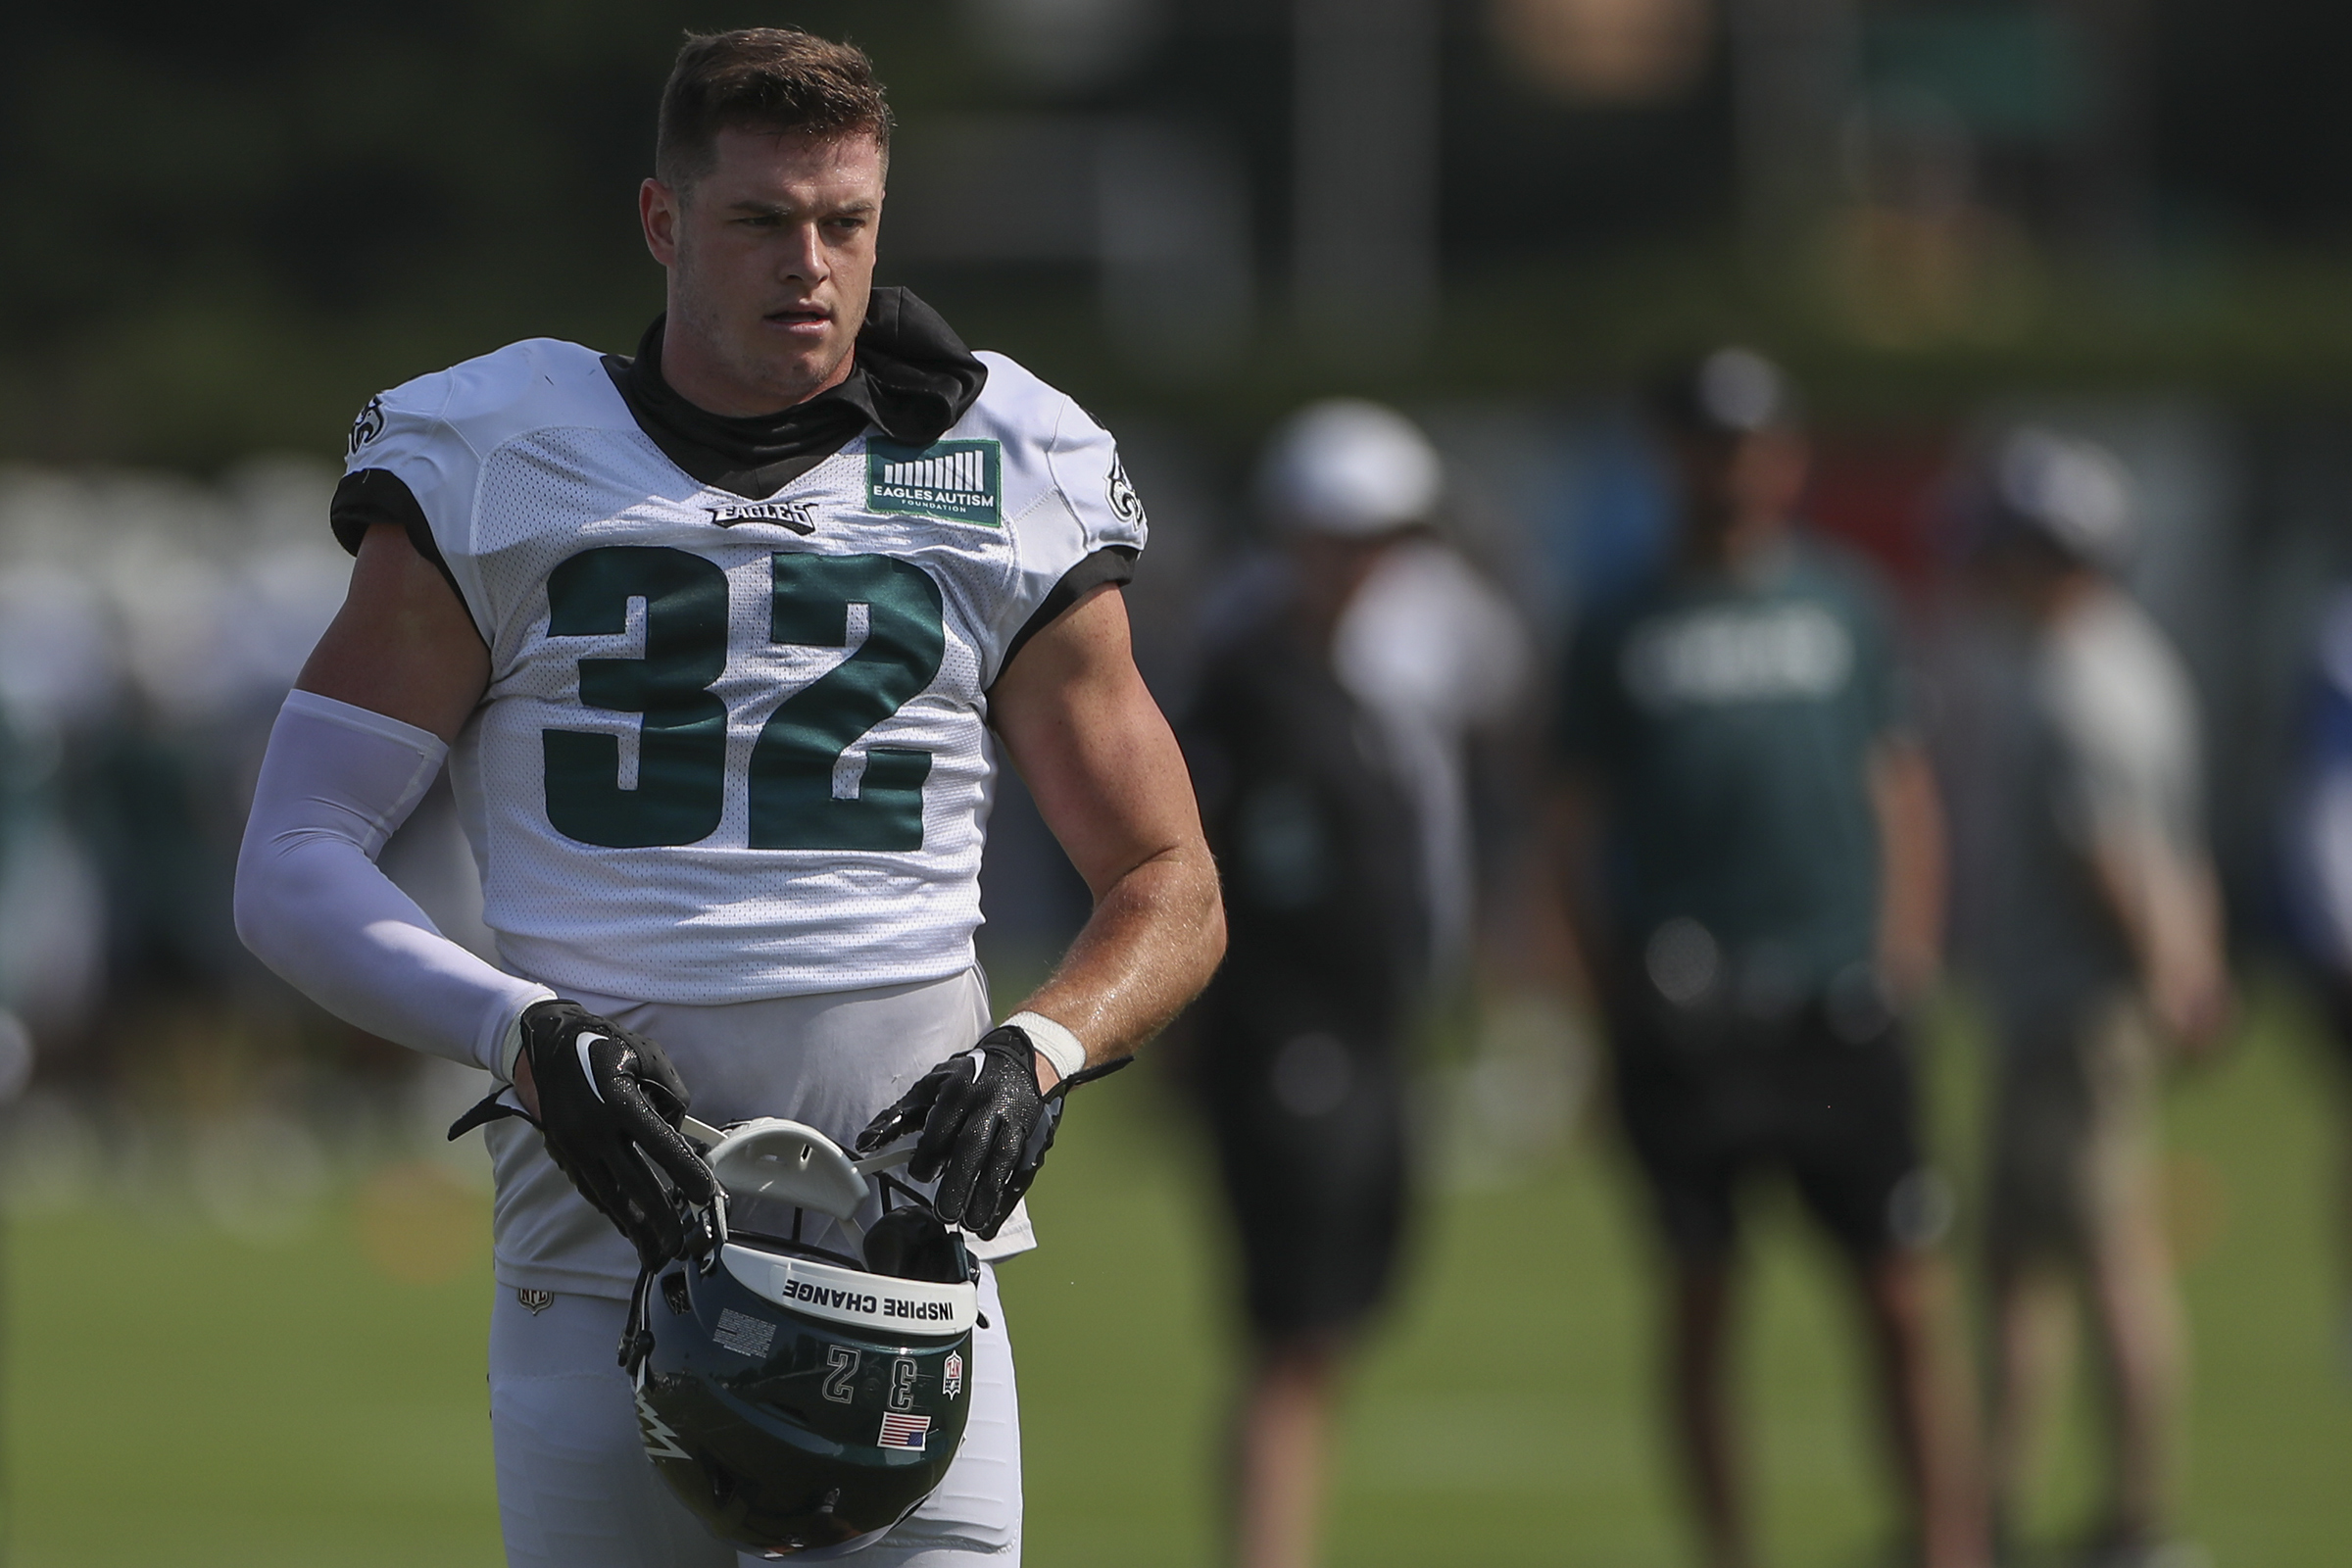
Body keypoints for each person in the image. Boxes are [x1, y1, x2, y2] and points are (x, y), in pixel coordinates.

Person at [232, 28, 1224, 1568]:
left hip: (911, 1259)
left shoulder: (994, 460)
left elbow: (1170, 877)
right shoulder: (503, 455)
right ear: (663, 222)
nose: (810, 265)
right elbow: (292, 857)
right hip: (601, 1247)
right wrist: (518, 1030)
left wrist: (1041, 1050)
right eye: (763, 219)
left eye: (846, 222)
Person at [1549, 349, 1983, 1568]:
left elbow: (1899, 785)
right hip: (1689, 1010)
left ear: (1788, 456)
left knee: (1903, 1290)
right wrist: (1600, 1006)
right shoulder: (1620, 620)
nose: (1731, 467)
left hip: (1839, 996)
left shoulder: (1846, 602)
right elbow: (1572, 829)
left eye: (1752, 442)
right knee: (1701, 1295)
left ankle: (1952, 1542)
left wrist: (1905, 956)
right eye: (1706, 442)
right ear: (1670, 455)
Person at [1178, 401, 1526, 1568]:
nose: (1369, 560)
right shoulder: (1245, 684)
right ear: (1293, 531)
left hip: (1371, 1040)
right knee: (1294, 1335)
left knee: (1326, 1336)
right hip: (1285, 1047)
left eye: (1385, 537)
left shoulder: (1358, 682)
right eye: (1346, 533)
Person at [1967, 428, 2228, 1568]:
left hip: (2077, 1013)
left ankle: (2135, 1519)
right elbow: (2186, 847)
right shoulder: (2137, 659)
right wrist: (2195, 965)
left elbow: (2115, 855)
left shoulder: (2078, 681)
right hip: (2060, 1007)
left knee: (2104, 1257)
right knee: (2020, 1267)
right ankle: (1990, 1515)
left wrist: (2173, 975)